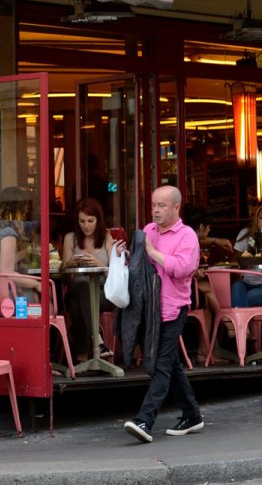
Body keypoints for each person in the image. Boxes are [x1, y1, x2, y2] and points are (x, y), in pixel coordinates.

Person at [123, 185, 204, 443]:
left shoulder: (187, 236)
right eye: (154, 205)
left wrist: (152, 252)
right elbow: (140, 265)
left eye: (162, 206)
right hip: (150, 308)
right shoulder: (148, 231)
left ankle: (145, 420)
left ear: (176, 207)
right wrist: (126, 254)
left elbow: (182, 268)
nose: (156, 211)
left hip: (173, 308)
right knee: (170, 364)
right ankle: (192, 414)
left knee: (160, 364)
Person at [61, 197, 111, 359]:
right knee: (81, 287)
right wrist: (69, 263)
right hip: (76, 289)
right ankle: (98, 343)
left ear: (98, 220)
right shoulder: (71, 238)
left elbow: (115, 274)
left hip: (103, 292)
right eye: (82, 221)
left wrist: (97, 263)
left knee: (78, 302)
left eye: (90, 221)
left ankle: (81, 355)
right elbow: (64, 279)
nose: (86, 225)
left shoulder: (106, 238)